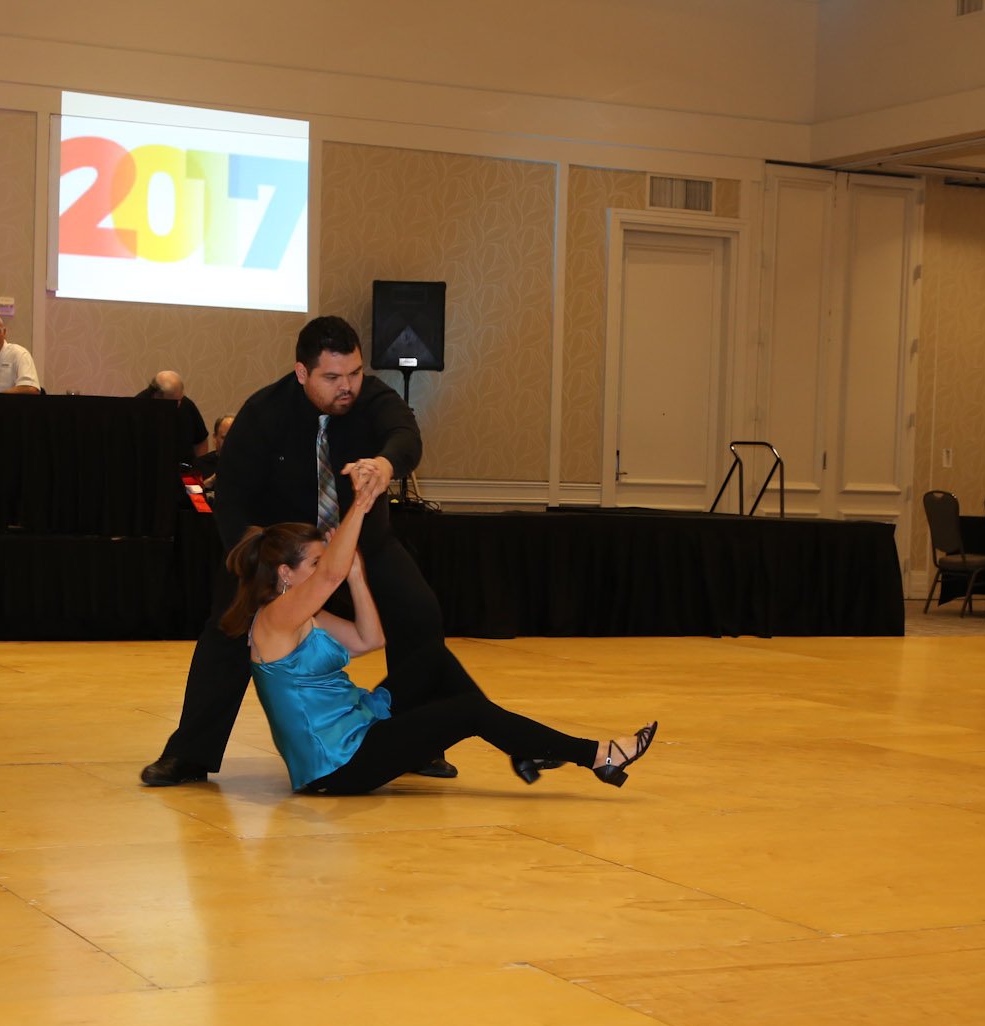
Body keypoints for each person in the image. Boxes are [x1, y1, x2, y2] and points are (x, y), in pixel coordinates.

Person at [141, 315, 472, 787]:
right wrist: (259, 566)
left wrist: (384, 463)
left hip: (362, 544)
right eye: (332, 377)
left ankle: (417, 741)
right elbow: (232, 498)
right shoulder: (263, 413)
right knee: (228, 627)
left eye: (354, 372)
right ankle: (190, 754)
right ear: (302, 373)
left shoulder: (372, 397)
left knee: (419, 613)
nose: (347, 386)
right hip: (284, 555)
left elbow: (406, 434)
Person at [225, 474, 657, 794]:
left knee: (432, 658)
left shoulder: (304, 616)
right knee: (468, 711)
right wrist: (361, 503)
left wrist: (356, 576)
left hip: (356, 727)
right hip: (336, 764)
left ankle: (525, 747)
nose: (326, 568)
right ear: (285, 573)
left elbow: (369, 640)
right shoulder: (275, 618)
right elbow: (329, 577)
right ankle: (598, 755)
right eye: (315, 562)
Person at [136, 370, 208, 463]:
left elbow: (201, 440)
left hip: (185, 468)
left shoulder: (186, 404)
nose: (179, 405)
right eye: (174, 402)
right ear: (157, 396)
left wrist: (199, 466)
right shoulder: (137, 408)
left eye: (180, 399)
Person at [193, 413, 233, 480]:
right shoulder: (200, 465)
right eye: (224, 438)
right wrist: (212, 480)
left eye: (233, 437)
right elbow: (195, 486)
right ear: (215, 438)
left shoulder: (247, 463)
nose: (230, 442)